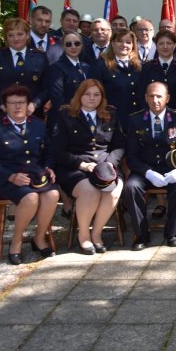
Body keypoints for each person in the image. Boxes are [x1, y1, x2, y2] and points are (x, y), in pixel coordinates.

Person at [0, 86, 59, 264]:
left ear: (28, 104)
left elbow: (48, 152)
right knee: (31, 198)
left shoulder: (38, 125)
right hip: (6, 179)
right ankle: (16, 241)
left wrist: (49, 167)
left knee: (53, 194)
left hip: (35, 176)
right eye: (12, 103)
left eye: (21, 102)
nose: (17, 107)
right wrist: (11, 177)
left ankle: (39, 238)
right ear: (5, 106)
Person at [122, 82, 176, 249]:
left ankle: (171, 233)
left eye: (159, 96)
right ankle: (141, 235)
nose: (155, 100)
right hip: (145, 170)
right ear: (145, 98)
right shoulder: (135, 120)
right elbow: (132, 155)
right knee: (130, 187)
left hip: (172, 169)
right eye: (151, 96)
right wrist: (147, 172)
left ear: (168, 98)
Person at [52, 79, 126, 254]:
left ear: (102, 97)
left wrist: (110, 162)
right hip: (75, 168)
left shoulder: (110, 114)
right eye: (87, 94)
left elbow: (120, 145)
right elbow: (58, 151)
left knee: (115, 189)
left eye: (96, 95)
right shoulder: (66, 115)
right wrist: (81, 164)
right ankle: (84, 236)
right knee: (89, 191)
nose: (92, 98)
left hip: (105, 166)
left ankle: (97, 233)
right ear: (79, 95)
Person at [0, 17, 49, 118]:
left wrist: (35, 104)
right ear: (6, 38)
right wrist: (0, 104)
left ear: (27, 35)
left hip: (32, 115)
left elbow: (47, 87)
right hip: (0, 115)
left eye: (20, 34)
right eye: (11, 35)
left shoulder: (40, 57)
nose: (16, 39)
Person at [87, 28, 142, 130]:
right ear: (112, 43)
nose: (124, 45)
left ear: (133, 45)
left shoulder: (139, 66)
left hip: (136, 121)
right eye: (120, 41)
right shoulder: (100, 65)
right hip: (111, 122)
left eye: (128, 42)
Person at [46, 31, 90, 127]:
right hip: (65, 120)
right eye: (68, 44)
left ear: (82, 45)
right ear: (63, 46)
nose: (73, 47)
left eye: (77, 43)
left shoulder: (86, 67)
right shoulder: (57, 68)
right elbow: (57, 99)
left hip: (84, 118)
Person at [139, 29, 176, 113]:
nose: (165, 46)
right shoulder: (147, 67)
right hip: (152, 114)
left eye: (169, 43)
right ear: (156, 46)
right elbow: (142, 93)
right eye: (161, 43)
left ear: (174, 45)